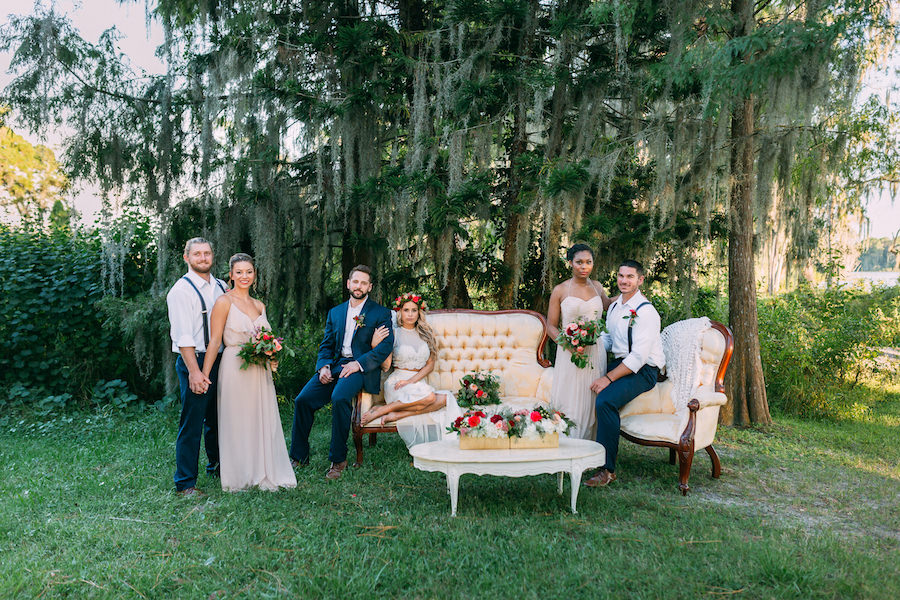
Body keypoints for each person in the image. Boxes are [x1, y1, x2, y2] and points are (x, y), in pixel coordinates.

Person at [200, 254, 297, 492]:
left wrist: (271, 353)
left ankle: (263, 469)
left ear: (255, 275)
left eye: (249, 272)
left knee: (260, 418)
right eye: (239, 272)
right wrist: (204, 374)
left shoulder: (259, 305)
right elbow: (214, 341)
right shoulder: (224, 302)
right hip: (235, 367)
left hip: (259, 370)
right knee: (237, 419)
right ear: (231, 275)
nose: (245, 276)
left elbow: (267, 339)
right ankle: (240, 474)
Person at [289, 265, 394, 479]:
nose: (359, 286)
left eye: (364, 283)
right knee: (303, 400)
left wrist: (358, 364)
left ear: (370, 287)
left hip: (361, 368)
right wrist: (324, 366)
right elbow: (326, 344)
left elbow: (386, 346)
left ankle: (338, 460)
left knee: (339, 398)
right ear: (348, 283)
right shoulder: (335, 312)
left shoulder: (380, 313)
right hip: (336, 364)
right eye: (356, 281)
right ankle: (298, 457)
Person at [584, 259, 665, 487]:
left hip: (644, 371)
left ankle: (607, 470)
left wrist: (608, 378)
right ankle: (585, 452)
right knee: (584, 384)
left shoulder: (646, 312)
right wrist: (585, 339)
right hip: (624, 364)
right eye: (621, 276)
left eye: (630, 277)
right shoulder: (615, 306)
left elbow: (638, 358)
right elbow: (610, 341)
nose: (624, 281)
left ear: (640, 280)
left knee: (606, 401)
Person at [166, 237, 228, 497]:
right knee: (192, 422)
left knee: (217, 418)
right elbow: (183, 338)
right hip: (196, 360)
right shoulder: (181, 291)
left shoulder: (222, 286)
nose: (203, 258)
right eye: (197, 254)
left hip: (223, 360)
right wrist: (194, 372)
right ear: (186, 258)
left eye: (207, 253)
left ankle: (217, 466)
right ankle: (185, 483)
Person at [360, 293, 461, 446]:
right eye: (406, 310)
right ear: (400, 312)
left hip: (416, 382)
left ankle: (393, 413)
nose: (410, 314)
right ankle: (385, 409)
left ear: (419, 312)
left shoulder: (427, 333)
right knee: (430, 398)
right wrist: (375, 346)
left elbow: (430, 364)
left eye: (414, 310)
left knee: (446, 399)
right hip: (397, 382)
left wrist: (411, 381)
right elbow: (386, 366)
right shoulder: (394, 333)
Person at [546, 244, 612, 439]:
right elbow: (550, 326)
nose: (584, 266)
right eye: (579, 262)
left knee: (591, 396)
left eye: (588, 262)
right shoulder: (560, 290)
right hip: (570, 353)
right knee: (570, 397)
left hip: (594, 352)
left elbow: (610, 306)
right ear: (570, 263)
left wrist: (632, 293)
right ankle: (566, 440)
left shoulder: (597, 287)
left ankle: (591, 443)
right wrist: (570, 346)